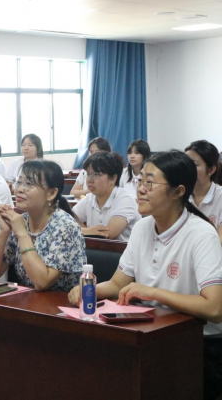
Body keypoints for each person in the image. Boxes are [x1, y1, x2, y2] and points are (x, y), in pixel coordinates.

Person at [67, 150, 222, 400]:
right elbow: (117, 284)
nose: (140, 189)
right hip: (151, 335)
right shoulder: (142, 228)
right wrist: (88, 290)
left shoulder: (201, 234)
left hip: (197, 345)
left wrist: (151, 292)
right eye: (140, 181)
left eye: (150, 183)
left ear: (178, 191)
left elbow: (214, 308)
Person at [0, 160, 85, 291]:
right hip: (28, 299)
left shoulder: (65, 227)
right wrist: (3, 232)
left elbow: (42, 283)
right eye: (19, 182)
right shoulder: (22, 221)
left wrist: (22, 234)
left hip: (63, 301)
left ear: (51, 194)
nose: (19, 189)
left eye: (29, 184)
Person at [73, 152, 140, 241]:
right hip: (95, 248)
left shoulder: (125, 199)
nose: (89, 180)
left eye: (96, 174)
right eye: (88, 174)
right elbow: (67, 220)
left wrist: (81, 230)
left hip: (121, 249)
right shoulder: (90, 198)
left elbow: (108, 234)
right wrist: (86, 230)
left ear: (113, 178)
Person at [185, 140, 222, 243]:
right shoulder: (179, 195)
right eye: (185, 164)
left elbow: (220, 239)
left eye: (194, 164)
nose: (186, 169)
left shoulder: (220, 196)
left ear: (211, 170)